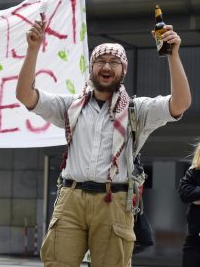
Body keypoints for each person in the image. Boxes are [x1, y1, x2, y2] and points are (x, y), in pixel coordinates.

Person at [16, 18, 191, 267]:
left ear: (123, 70)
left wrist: (173, 55)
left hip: (114, 202)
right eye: (100, 61)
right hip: (71, 199)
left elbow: (180, 104)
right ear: (91, 68)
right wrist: (33, 49)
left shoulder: (136, 111)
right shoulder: (70, 106)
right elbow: (25, 95)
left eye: (114, 62)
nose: (106, 66)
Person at [178, 143, 200, 267]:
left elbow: (192, 195)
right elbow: (184, 194)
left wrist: (197, 196)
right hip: (195, 241)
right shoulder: (194, 172)